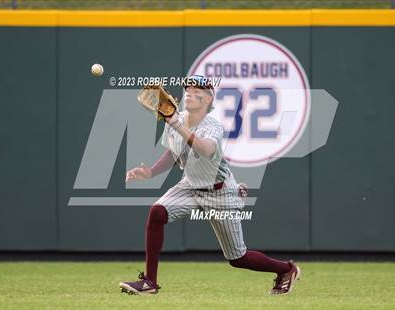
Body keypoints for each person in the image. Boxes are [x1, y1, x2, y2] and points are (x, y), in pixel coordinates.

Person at [120, 75, 300, 295]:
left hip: (220, 192)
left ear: (208, 99)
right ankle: (149, 282)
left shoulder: (211, 125)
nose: (190, 93)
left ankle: (286, 269)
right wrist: (150, 172)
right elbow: (172, 153)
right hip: (190, 186)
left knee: (238, 258)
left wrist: (175, 123)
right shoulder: (175, 118)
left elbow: (205, 149)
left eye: (197, 91)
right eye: (188, 89)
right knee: (157, 212)